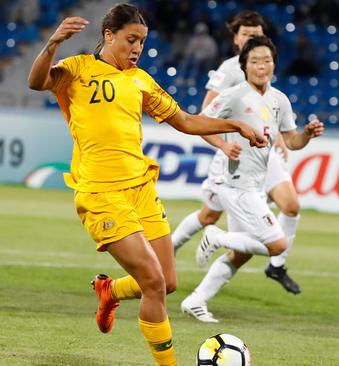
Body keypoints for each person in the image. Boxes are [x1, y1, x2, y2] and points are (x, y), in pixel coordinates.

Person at [27, 5, 265, 365]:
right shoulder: (77, 69)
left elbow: (185, 120)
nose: (137, 48)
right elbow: (36, 82)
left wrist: (236, 126)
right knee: (153, 281)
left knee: (166, 282)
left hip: (140, 188)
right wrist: (53, 43)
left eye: (142, 42)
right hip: (101, 194)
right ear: (109, 35)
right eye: (131, 40)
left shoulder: (140, 80)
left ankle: (110, 291)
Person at [180, 36, 324, 323]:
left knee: (241, 254)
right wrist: (223, 145)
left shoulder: (278, 99)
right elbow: (197, 123)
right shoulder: (234, 95)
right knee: (279, 246)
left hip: (255, 186)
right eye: (255, 60)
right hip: (236, 185)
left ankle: (195, 300)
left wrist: (306, 134)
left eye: (267, 60)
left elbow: (292, 142)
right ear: (244, 65)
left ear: (274, 64)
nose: (262, 66)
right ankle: (216, 236)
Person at [171, 10, 304, 295]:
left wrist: (280, 136)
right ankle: (169, 251)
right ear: (235, 39)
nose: (251, 39)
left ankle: (276, 264)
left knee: (291, 206)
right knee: (209, 217)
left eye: (256, 35)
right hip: (236, 158)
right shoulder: (231, 69)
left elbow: (266, 110)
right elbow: (205, 115)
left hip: (264, 155)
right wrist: (222, 143)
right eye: (246, 35)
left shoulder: (264, 65)